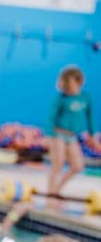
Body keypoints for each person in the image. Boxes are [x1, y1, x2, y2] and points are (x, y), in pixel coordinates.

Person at [46, 65, 92, 200]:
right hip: (57, 134)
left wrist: (92, 135)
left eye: (71, 85)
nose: (68, 89)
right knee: (58, 163)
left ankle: (58, 188)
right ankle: (51, 193)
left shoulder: (86, 98)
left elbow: (90, 118)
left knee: (78, 166)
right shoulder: (60, 98)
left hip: (72, 136)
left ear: (79, 83)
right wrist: (48, 136)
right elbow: (51, 118)